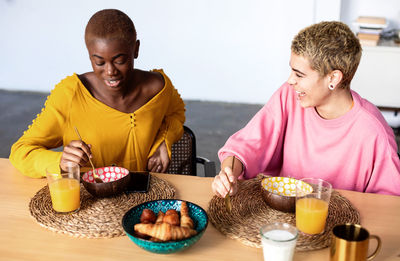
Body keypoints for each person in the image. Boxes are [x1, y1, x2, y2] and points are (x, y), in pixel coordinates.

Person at [212, 21, 400, 197]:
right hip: (283, 220)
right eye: (292, 71)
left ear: (333, 78)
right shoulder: (289, 95)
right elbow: (246, 145)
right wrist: (227, 174)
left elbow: (389, 204)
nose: (290, 80)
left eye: (299, 74)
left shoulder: (374, 132)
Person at [10, 9, 185, 178]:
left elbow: (175, 115)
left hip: (142, 199)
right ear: (89, 56)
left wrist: (163, 142)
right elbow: (21, 151)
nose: (110, 72)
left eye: (120, 61)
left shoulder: (159, 88)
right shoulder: (71, 95)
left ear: (136, 49)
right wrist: (61, 162)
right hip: (89, 202)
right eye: (99, 62)